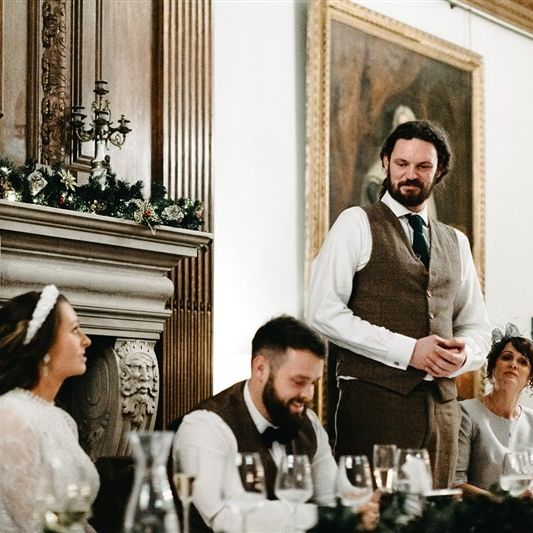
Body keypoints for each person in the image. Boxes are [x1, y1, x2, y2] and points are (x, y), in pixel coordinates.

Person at [307, 120, 491, 488]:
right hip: (374, 406)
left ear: (439, 171)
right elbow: (323, 312)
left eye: (423, 166)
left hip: (443, 412)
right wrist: (408, 351)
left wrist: (464, 354)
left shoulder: (456, 242)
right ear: (385, 163)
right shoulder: (356, 224)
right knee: (374, 513)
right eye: (402, 163)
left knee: (436, 514)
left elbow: (478, 327)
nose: (410, 174)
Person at [173, 315, 379, 532]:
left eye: (313, 383)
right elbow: (227, 518)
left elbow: (333, 497)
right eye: (299, 382)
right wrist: (329, 516)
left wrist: (359, 508)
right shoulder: (204, 426)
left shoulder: (308, 422)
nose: (308, 394)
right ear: (260, 369)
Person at [0, 285, 99, 532]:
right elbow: (36, 524)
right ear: (43, 344)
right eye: (75, 330)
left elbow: (78, 523)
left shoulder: (63, 420)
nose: (86, 340)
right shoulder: (9, 415)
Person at [454, 325, 533, 497]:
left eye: (523, 362)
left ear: (529, 378)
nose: (513, 364)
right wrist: (501, 501)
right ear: (492, 368)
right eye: (506, 357)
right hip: (478, 512)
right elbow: (456, 483)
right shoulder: (466, 412)